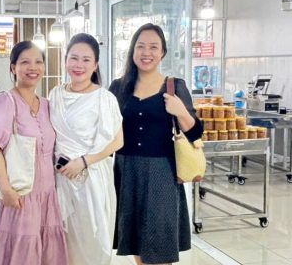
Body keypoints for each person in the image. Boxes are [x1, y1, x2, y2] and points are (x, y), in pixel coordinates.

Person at [109, 23, 203, 265]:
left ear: (162, 52)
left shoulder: (174, 86)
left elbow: (196, 133)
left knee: (159, 245)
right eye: (141, 46)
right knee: (136, 243)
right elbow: (105, 130)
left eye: (153, 47)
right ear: (132, 51)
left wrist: (181, 111)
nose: (146, 52)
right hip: (126, 171)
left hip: (162, 173)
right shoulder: (118, 87)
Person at [0, 41, 68, 265]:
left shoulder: (47, 105)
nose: (33, 67)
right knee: (23, 252)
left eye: (38, 62)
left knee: (47, 252)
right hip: (20, 193)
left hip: (48, 194)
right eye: (25, 62)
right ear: (13, 68)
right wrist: (6, 189)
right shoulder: (5, 101)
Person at [48, 33, 124, 265]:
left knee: (91, 241)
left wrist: (83, 162)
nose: (78, 65)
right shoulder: (55, 94)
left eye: (86, 59)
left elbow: (117, 141)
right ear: (65, 60)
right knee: (63, 243)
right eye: (74, 58)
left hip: (92, 179)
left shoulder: (104, 98)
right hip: (60, 178)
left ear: (95, 65)